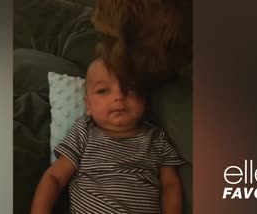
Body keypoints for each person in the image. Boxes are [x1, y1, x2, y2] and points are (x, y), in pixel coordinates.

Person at [30, 58, 185, 214]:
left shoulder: (157, 138)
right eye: (103, 90)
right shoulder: (84, 131)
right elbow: (55, 177)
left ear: (145, 100)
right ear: (88, 106)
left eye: (129, 88)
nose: (118, 96)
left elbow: (170, 185)